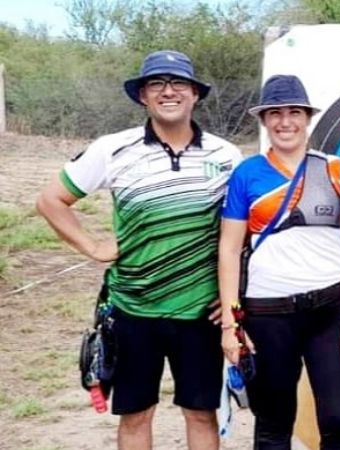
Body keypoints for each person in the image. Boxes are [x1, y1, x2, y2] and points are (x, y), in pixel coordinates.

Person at [36, 50, 242, 449]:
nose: (169, 92)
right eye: (156, 84)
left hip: (201, 311)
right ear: (143, 96)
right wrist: (92, 246)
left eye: (178, 83)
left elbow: (241, 233)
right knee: (135, 416)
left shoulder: (227, 156)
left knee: (202, 413)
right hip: (133, 310)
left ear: (195, 94)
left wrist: (233, 297)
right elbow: (50, 201)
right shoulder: (112, 148)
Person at [217, 74, 340, 450]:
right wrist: (231, 325)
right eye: (275, 113)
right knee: (273, 420)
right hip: (269, 314)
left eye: (294, 112)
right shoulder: (247, 174)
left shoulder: (335, 169)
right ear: (264, 120)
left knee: (337, 418)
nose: (285, 122)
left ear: (307, 118)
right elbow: (230, 250)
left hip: (329, 311)